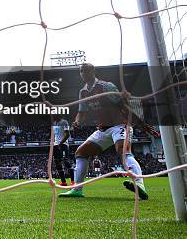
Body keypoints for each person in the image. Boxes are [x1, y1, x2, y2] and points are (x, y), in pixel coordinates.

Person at [59, 63, 159, 199]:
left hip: (120, 125)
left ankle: (139, 184)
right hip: (103, 129)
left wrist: (141, 123)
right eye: (81, 71)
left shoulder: (106, 86)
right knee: (81, 152)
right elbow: (81, 113)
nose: (83, 73)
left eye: (86, 70)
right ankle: (77, 189)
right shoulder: (83, 92)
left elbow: (124, 107)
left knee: (123, 151)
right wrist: (77, 122)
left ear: (93, 71)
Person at [53, 117, 74, 186]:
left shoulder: (64, 122)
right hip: (56, 145)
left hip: (63, 145)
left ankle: (73, 181)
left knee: (66, 162)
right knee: (57, 163)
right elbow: (55, 135)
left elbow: (67, 134)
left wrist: (61, 143)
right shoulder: (54, 123)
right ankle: (63, 182)